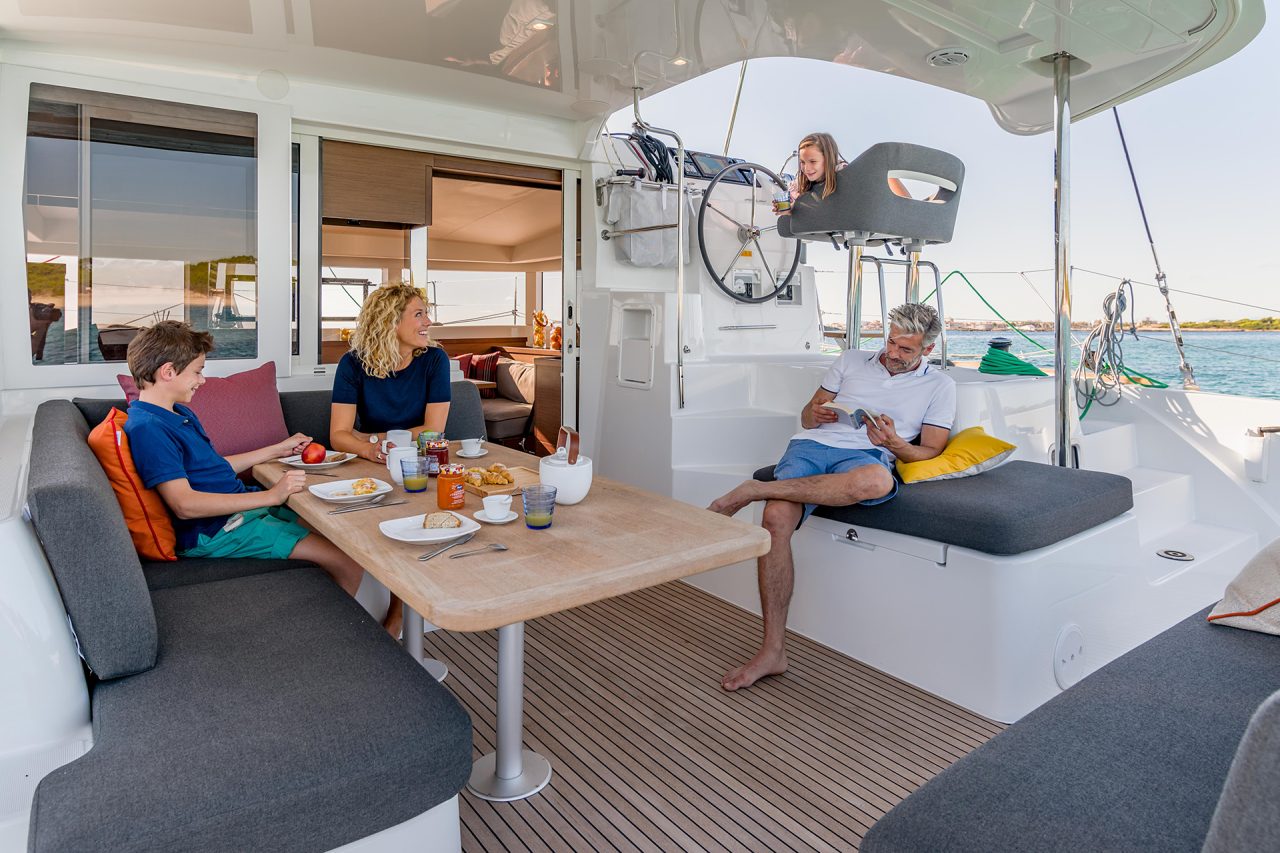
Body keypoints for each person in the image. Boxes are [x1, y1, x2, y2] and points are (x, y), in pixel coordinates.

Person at [708, 303, 956, 691]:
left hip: (865, 456)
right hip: (812, 446)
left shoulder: (940, 386)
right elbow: (807, 415)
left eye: (906, 349)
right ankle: (773, 650)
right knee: (775, 520)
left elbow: (930, 451)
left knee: (877, 481)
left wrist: (894, 443)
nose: (892, 353)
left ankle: (756, 488)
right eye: (890, 341)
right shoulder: (850, 359)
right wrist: (815, 413)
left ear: (927, 350)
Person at [124, 321, 365, 598]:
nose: (202, 380)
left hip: (234, 518)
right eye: (198, 372)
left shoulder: (177, 413)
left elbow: (213, 469)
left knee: (342, 534)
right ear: (168, 371)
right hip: (216, 532)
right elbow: (185, 505)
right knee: (347, 561)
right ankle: (339, 637)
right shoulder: (149, 428)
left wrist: (276, 449)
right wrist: (272, 496)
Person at [329, 283, 452, 636]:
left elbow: (434, 430)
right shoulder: (353, 364)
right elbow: (338, 434)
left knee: (425, 507)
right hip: (370, 462)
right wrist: (369, 449)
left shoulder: (434, 360)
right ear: (390, 321)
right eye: (419, 314)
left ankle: (398, 613)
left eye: (426, 313)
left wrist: (372, 439)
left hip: (422, 457)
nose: (428, 321)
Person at [778, 131, 915, 208]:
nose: (806, 168)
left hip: (878, 197)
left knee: (885, 176)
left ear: (828, 159)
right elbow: (792, 198)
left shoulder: (843, 172)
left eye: (813, 161)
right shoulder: (800, 182)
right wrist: (787, 208)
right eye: (802, 162)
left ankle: (914, 204)